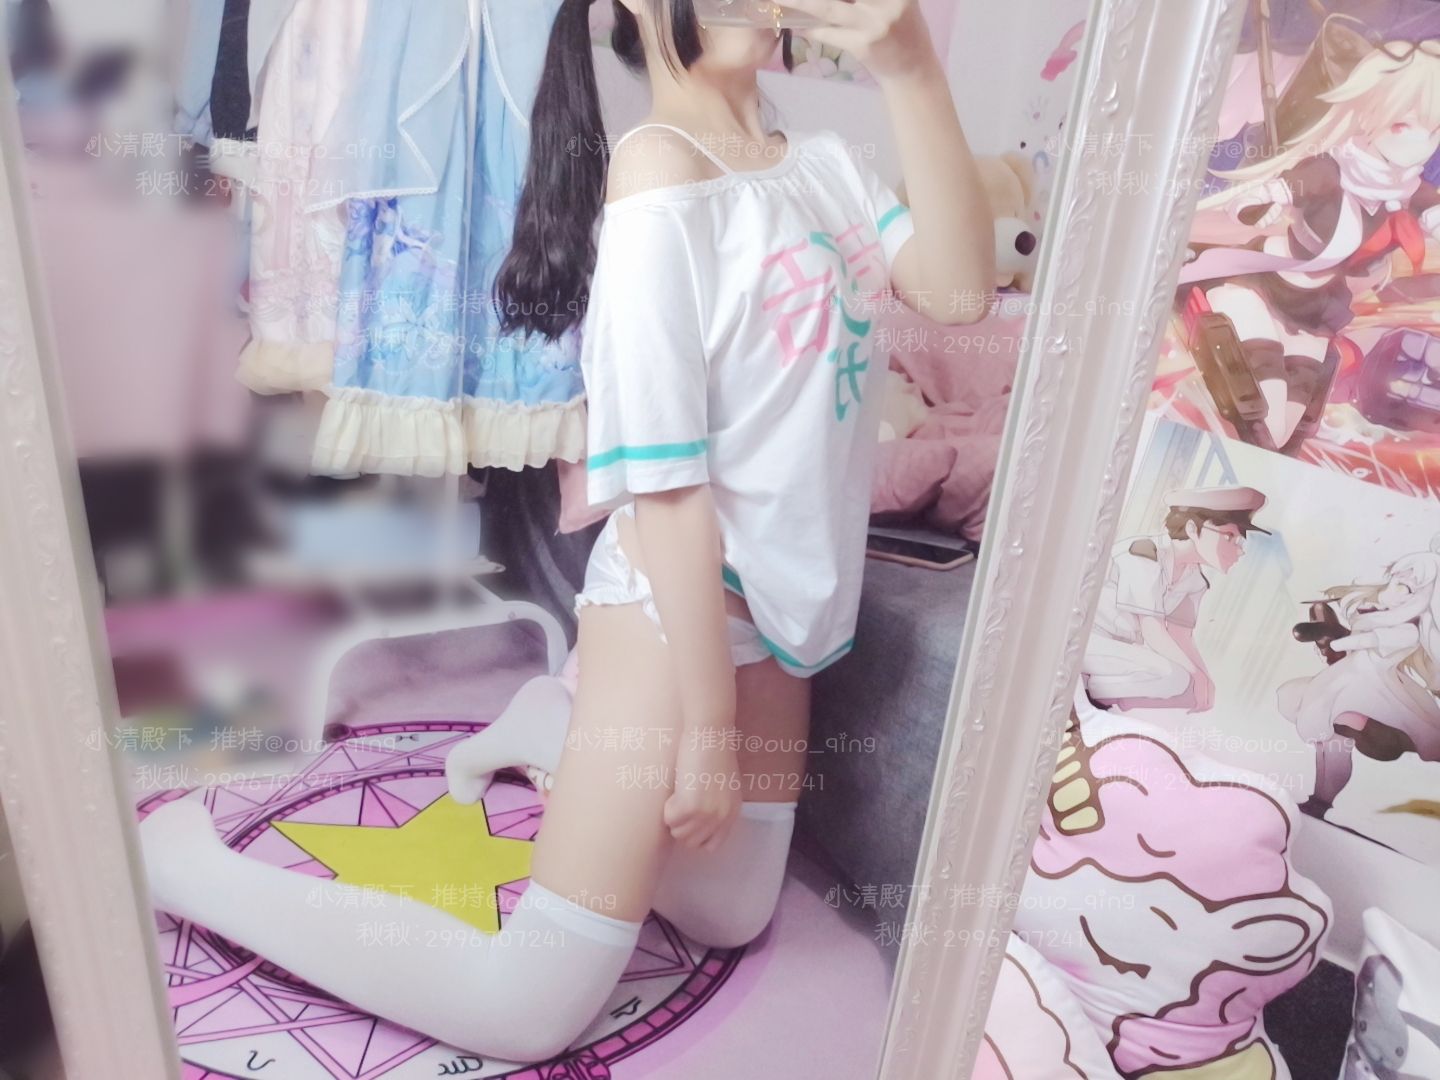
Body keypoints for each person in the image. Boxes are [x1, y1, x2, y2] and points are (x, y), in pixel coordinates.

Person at [138, 0, 993, 1063]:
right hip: (673, 610)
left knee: (732, 910)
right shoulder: (656, 172)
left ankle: (548, 727)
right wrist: (706, 733)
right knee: (528, 1009)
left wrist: (912, 71)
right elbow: (665, 483)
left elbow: (960, 294)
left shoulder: (821, 165)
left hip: (787, 612)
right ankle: (186, 866)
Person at [1278, 538, 1440, 818]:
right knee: (1330, 741)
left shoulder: (1407, 632)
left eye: (1406, 587)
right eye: (1394, 580)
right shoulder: (1378, 615)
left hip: (1369, 692)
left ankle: (1361, 738)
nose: (1392, 590)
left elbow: (1364, 642)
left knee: (1334, 726)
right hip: (1346, 682)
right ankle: (1321, 799)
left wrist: (1335, 640)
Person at [1081, 486, 1269, 713]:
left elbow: (1181, 635)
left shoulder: (1195, 580)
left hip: (1120, 651)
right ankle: (1091, 693)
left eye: (1239, 541)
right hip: (1086, 638)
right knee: (1175, 676)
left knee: (1191, 689)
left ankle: (1103, 698)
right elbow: (1152, 630)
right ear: (1192, 528)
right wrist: (1196, 674)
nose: (1239, 551)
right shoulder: (1144, 553)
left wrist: (1205, 680)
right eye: (1229, 536)